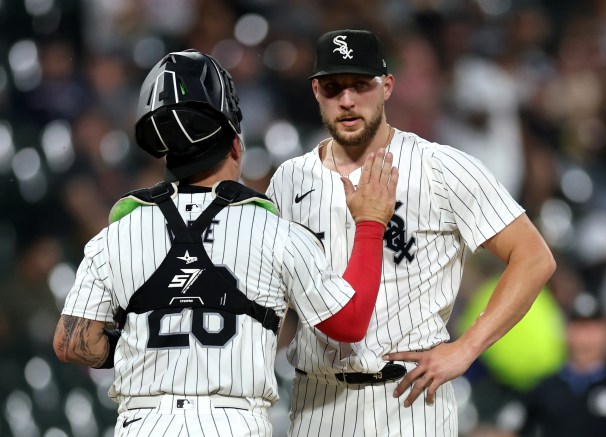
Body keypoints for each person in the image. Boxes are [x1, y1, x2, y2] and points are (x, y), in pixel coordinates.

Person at [52, 49, 399, 437]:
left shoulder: (115, 236)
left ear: (166, 156)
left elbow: (72, 343)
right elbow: (349, 323)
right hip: (232, 422)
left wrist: (151, 345)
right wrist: (370, 223)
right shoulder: (275, 233)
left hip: (143, 423)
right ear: (236, 146)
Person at [265, 29, 556, 436]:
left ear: (387, 86)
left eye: (360, 86)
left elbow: (534, 256)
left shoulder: (441, 167)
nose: (347, 101)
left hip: (409, 399)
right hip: (316, 400)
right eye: (333, 88)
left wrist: (466, 348)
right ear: (316, 90)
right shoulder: (289, 180)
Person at [518, 292, 606, 436]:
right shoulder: (545, 387)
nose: (585, 338)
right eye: (579, 327)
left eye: (593, 328)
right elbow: (509, 428)